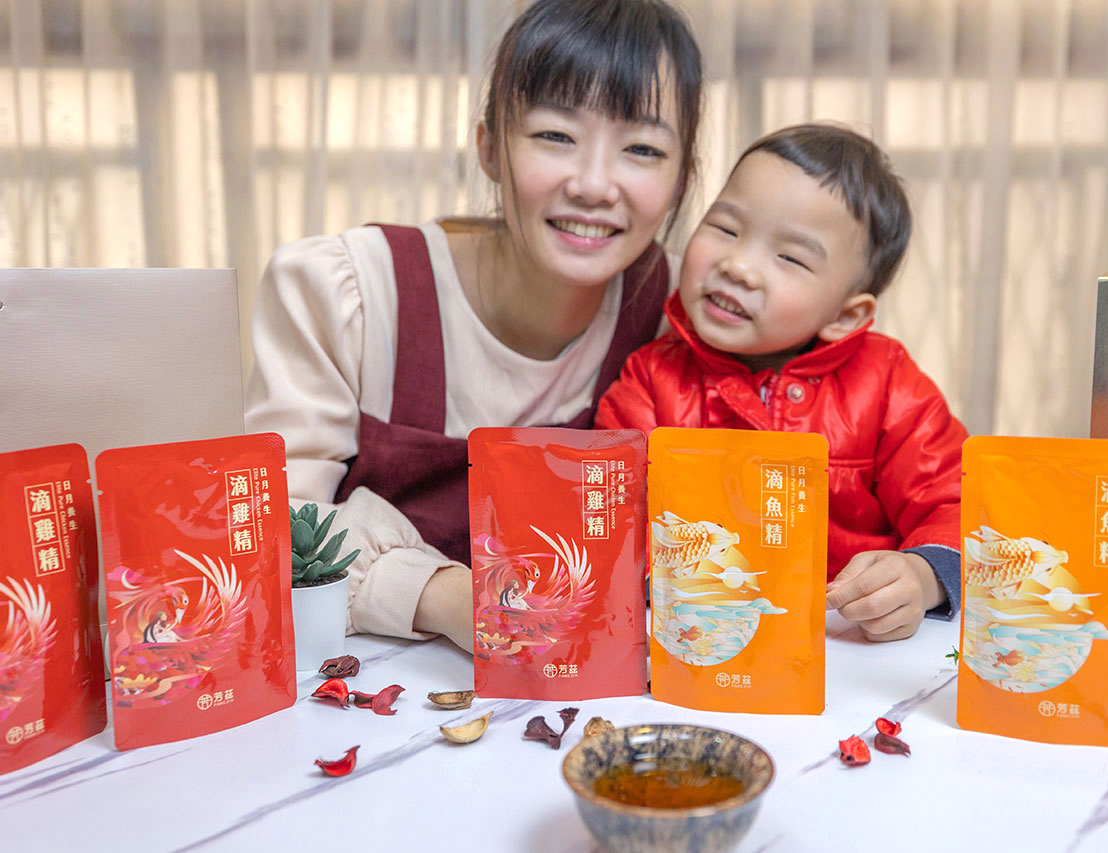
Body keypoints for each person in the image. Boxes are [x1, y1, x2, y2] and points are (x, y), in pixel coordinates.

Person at [244, 0, 703, 651]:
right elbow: (271, 528)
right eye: (555, 136)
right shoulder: (350, 290)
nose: (596, 186)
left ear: (681, 176)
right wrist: (447, 598)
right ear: (489, 148)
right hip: (362, 694)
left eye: (642, 148)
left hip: (592, 701)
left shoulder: (682, 315)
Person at [595, 123, 966, 642]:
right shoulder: (651, 379)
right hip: (703, 643)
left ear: (845, 314)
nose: (738, 265)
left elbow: (959, 501)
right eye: (726, 228)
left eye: (789, 258)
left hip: (848, 649)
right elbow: (608, 517)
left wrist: (924, 577)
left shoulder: (888, 385)